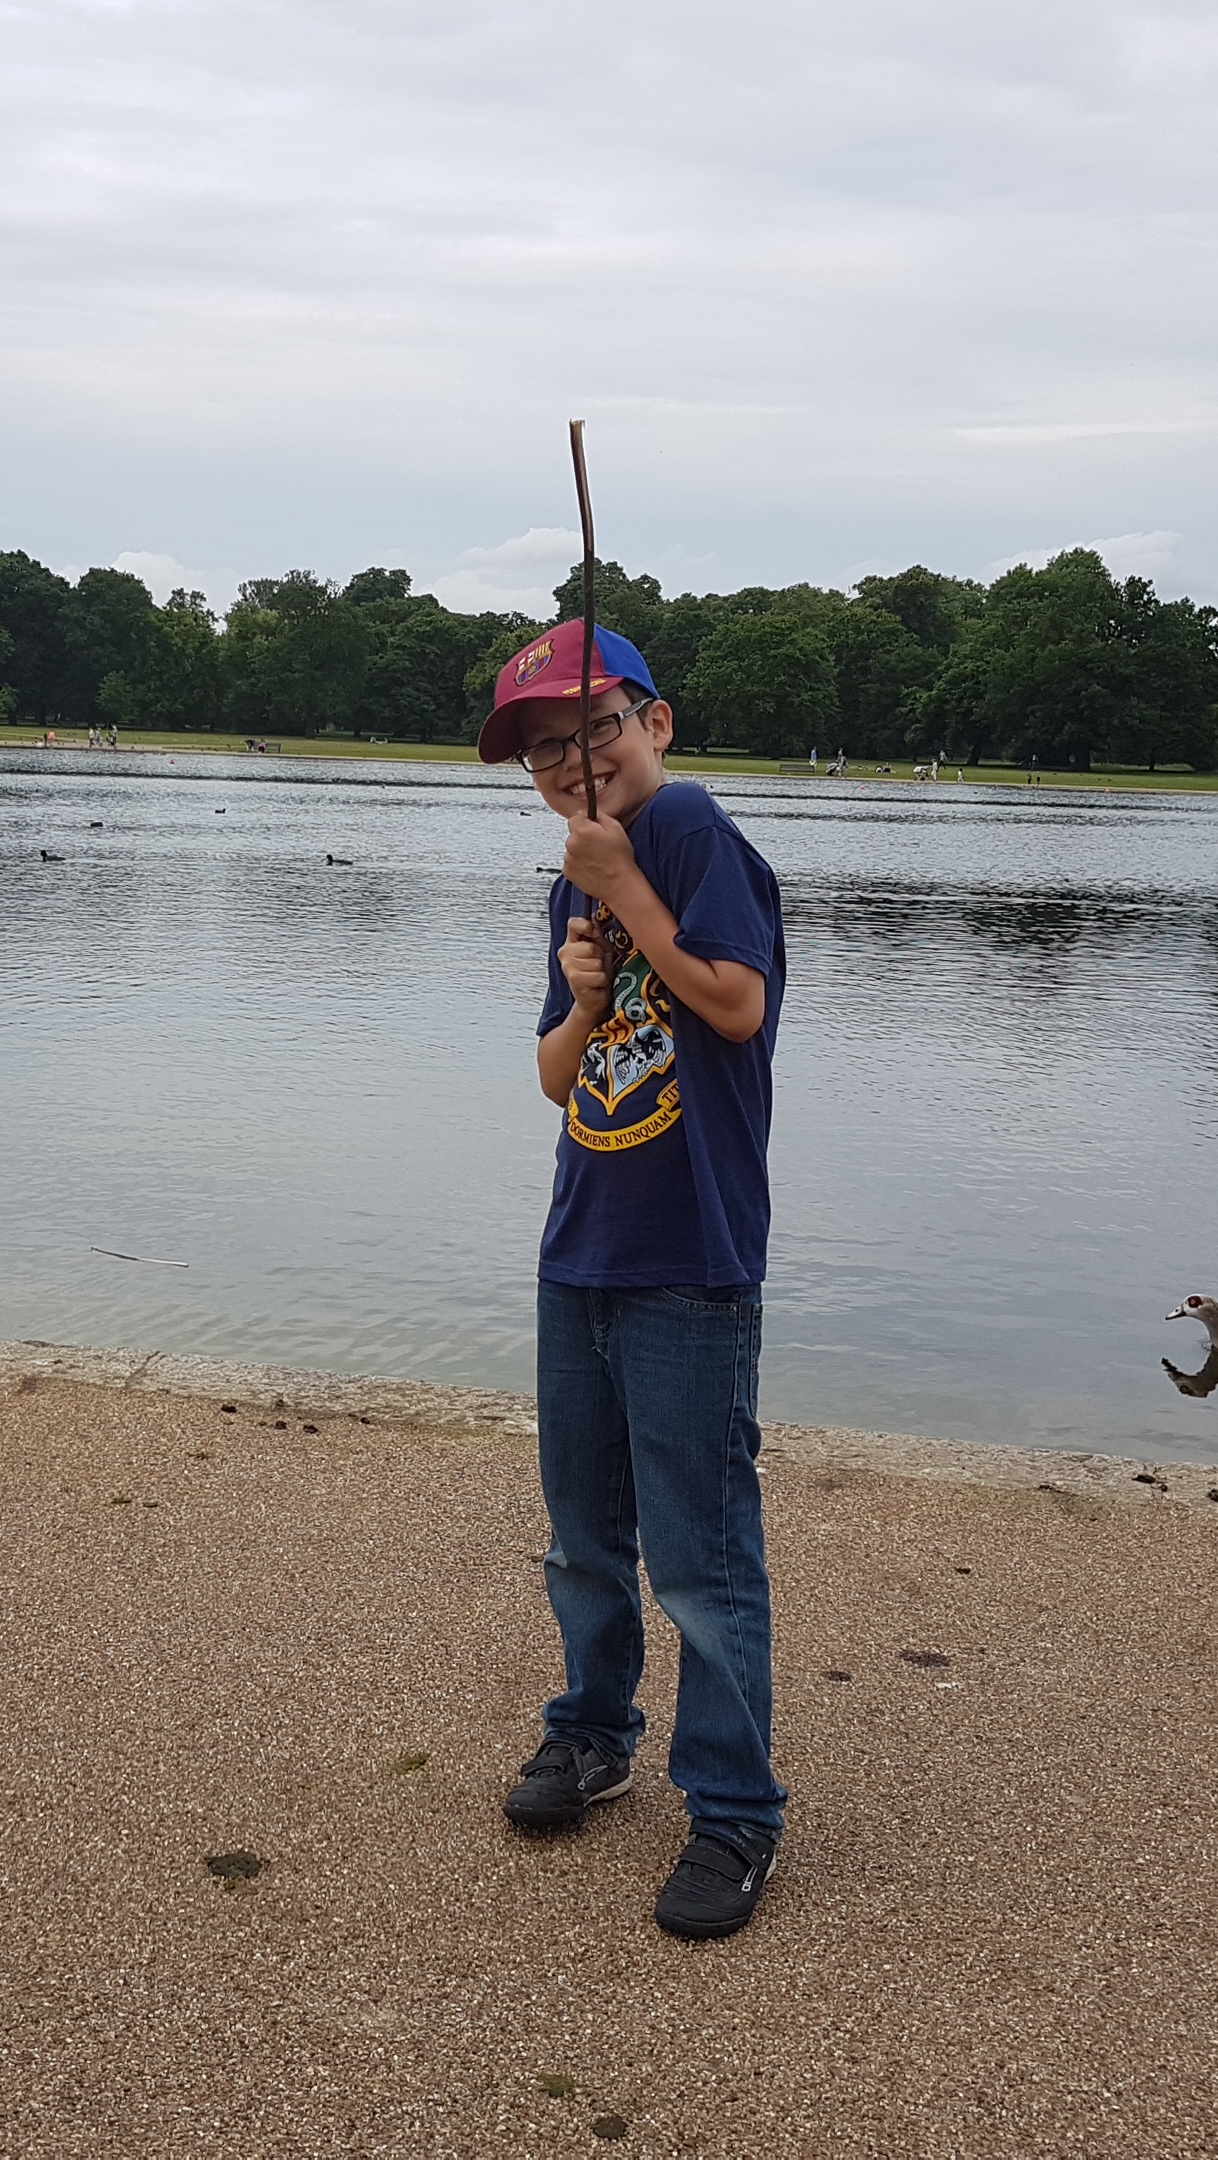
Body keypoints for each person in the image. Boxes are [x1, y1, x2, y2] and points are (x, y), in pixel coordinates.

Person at [478, 618, 789, 1942]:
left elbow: (737, 1005)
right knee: (584, 1537)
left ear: (656, 724)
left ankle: (733, 1812)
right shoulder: (576, 874)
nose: (573, 761)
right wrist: (583, 995)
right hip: (583, 1251)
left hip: (690, 1263)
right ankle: (594, 1732)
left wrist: (632, 894)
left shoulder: (692, 832)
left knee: (702, 1561)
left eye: (595, 727)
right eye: (545, 749)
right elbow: (557, 1081)